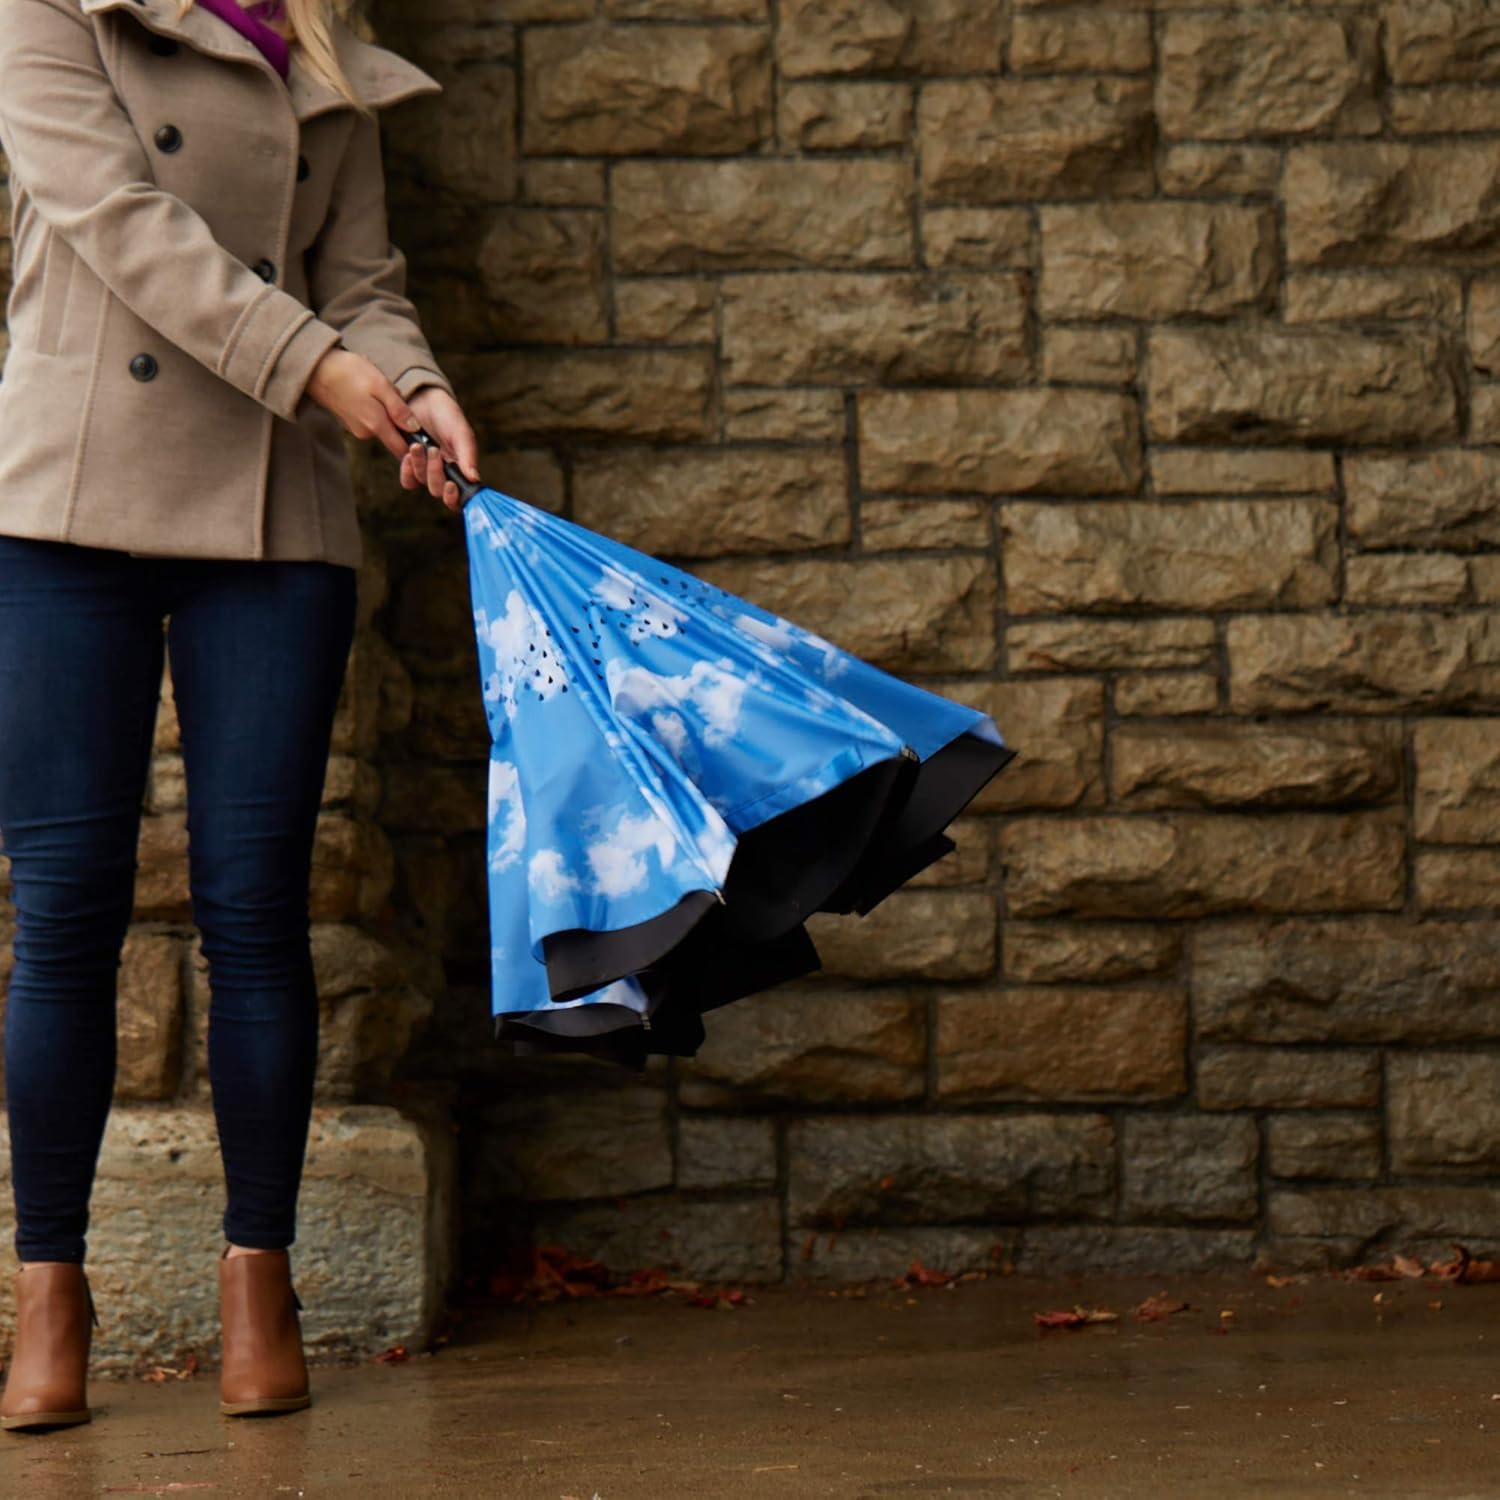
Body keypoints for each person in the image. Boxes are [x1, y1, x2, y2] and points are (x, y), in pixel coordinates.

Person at [0, 0, 477, 1428]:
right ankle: (48, 1293)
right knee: (71, 902)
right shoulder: (50, 11)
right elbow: (125, 226)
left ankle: (258, 1281)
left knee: (259, 904)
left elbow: (362, 276)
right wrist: (323, 371)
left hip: (273, 521)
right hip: (65, 507)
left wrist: (412, 386)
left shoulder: (327, 41)